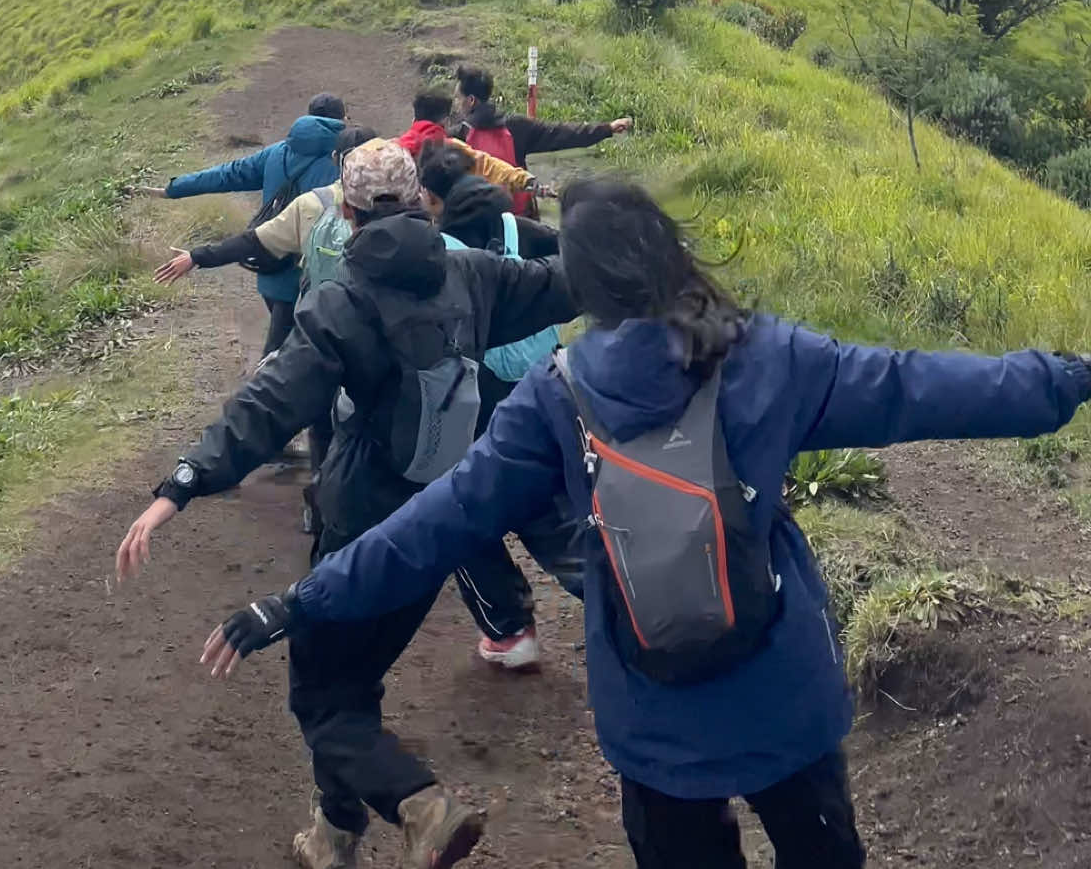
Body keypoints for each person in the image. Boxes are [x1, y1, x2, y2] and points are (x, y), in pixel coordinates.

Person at [200, 178, 1091, 869]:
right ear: (668, 253)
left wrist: (303, 599)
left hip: (653, 720)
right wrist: (1069, 377)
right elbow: (920, 386)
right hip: (784, 692)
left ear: (581, 285)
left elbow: (440, 517)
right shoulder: (766, 356)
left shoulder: (558, 396)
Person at [117, 138, 577, 869]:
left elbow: (268, 404)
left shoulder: (343, 300)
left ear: (350, 209)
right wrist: (639, 252)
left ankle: (421, 805)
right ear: (421, 199)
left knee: (323, 697)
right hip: (442, 520)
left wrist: (182, 482)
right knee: (351, 681)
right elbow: (564, 285)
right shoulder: (472, 272)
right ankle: (334, 834)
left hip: (361, 523)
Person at [154, 125, 378, 530]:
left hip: (322, 335)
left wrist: (199, 257)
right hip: (380, 342)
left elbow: (255, 242)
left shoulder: (315, 203)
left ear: (337, 163)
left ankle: (322, 508)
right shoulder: (411, 206)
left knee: (323, 422)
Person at [418, 144, 583, 673]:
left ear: (432, 200)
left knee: (459, 510)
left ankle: (510, 629)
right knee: (557, 507)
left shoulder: (436, 257)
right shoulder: (526, 234)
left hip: (476, 402)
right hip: (550, 390)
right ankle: (632, 605)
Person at [157, 93, 347, 356]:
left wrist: (175, 188)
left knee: (287, 347)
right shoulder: (341, 162)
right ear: (341, 121)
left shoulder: (277, 152)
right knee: (285, 356)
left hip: (270, 266)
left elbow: (228, 174)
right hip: (311, 278)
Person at [454, 63, 631, 215]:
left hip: (477, 222)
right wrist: (607, 129)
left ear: (471, 100)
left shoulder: (457, 135)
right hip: (520, 218)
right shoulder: (515, 126)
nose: (456, 103)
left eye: (458, 98)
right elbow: (562, 133)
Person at [398, 89, 542, 202]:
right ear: (446, 122)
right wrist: (525, 180)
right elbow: (490, 167)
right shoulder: (454, 150)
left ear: (414, 120)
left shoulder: (391, 150)